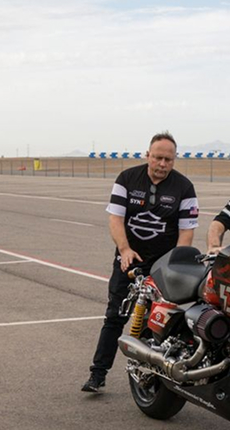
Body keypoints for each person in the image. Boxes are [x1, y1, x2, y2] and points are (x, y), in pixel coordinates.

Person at [82, 132, 199, 393]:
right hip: (129, 260)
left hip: (162, 266)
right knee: (115, 317)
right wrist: (124, 249)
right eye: (158, 157)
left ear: (174, 159)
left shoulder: (184, 188)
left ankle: (154, 379)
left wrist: (175, 264)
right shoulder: (127, 179)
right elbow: (115, 219)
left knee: (158, 322)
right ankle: (97, 374)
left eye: (168, 159)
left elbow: (186, 232)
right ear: (147, 155)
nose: (162, 164)